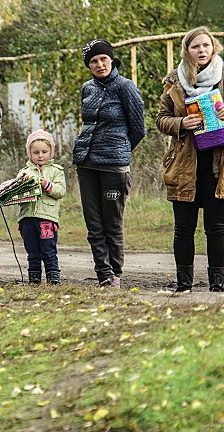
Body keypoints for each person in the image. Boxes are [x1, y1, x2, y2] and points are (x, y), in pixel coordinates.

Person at [155, 26, 224, 292]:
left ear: (214, 48)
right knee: (183, 228)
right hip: (185, 163)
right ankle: (183, 283)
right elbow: (161, 119)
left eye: (206, 46)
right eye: (195, 46)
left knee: (216, 226)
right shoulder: (174, 80)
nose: (201, 51)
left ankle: (217, 284)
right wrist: (180, 122)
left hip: (219, 163)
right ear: (187, 50)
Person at [73, 39, 146, 288]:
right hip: (87, 164)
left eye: (103, 59)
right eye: (93, 61)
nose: (99, 64)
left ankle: (115, 271)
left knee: (112, 223)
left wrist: (120, 149)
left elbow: (138, 129)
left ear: (111, 60)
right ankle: (103, 274)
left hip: (114, 167)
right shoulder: (87, 89)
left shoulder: (126, 87)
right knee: (94, 224)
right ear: (89, 66)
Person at [16, 129, 67, 285]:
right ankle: (34, 278)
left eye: (44, 151)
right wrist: (22, 184)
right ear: (29, 153)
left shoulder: (56, 171)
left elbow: (60, 191)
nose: (40, 155)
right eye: (35, 152)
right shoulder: (24, 172)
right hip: (27, 219)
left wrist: (46, 184)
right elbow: (17, 195)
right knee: (32, 251)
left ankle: (53, 278)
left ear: (51, 151)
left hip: (47, 219)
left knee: (48, 250)